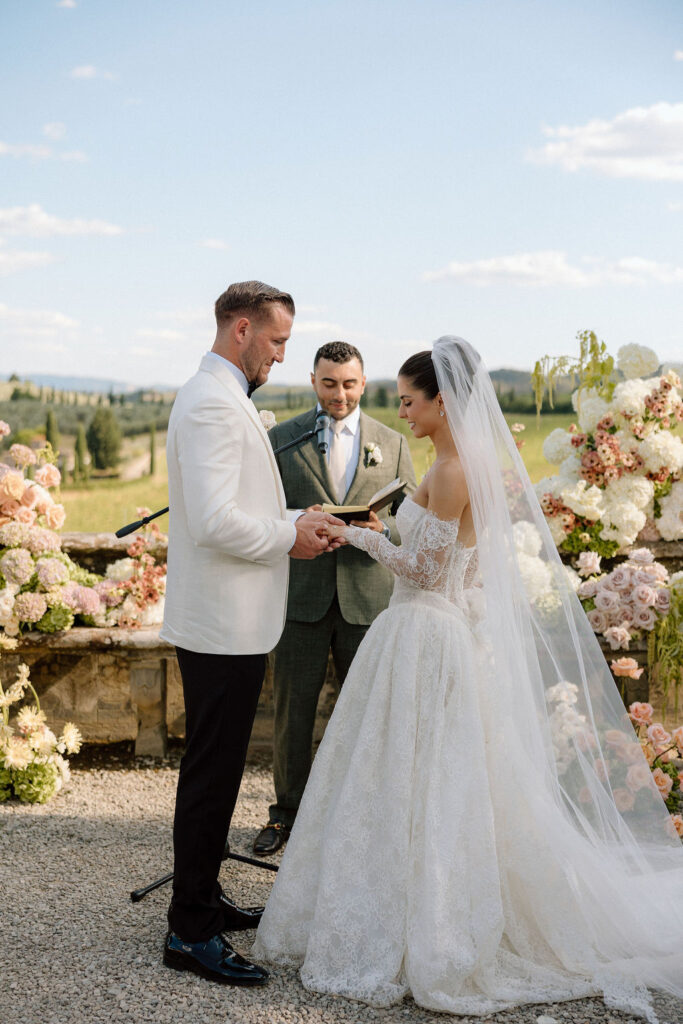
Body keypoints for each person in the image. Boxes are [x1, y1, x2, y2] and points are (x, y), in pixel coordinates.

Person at [254, 337, 683, 1020]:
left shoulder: (453, 471)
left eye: (409, 401)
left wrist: (357, 535)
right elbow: (461, 564)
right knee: (414, 777)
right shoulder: (461, 465)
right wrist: (384, 532)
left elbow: (427, 572)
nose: (402, 412)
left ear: (443, 402)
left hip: (423, 631)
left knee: (409, 776)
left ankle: (421, 923)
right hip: (433, 629)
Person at [160, 280, 343, 987]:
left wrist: (295, 518)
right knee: (211, 778)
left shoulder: (220, 394)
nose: (281, 355)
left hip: (230, 622)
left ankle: (204, 899)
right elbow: (213, 522)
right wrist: (288, 536)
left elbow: (236, 504)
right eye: (277, 340)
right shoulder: (210, 401)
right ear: (241, 329)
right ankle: (188, 931)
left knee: (221, 770)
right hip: (221, 626)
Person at [252, 341, 417, 856]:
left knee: (370, 717)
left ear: (363, 383)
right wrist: (300, 519)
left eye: (348, 384)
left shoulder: (392, 443)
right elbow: (263, 509)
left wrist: (380, 529)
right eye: (328, 383)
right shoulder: (282, 438)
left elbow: (412, 519)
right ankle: (286, 816)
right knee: (292, 714)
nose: (339, 394)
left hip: (368, 598)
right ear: (313, 381)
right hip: (301, 596)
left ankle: (365, 819)